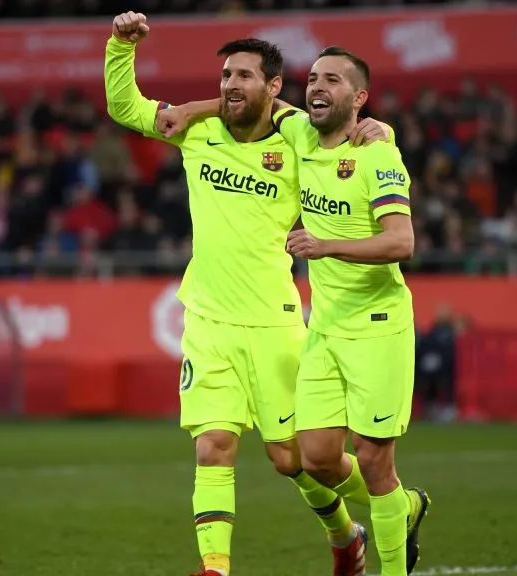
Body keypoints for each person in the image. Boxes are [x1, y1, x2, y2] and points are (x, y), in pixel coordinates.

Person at [105, 13, 391, 576]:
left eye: (243, 76)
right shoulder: (195, 130)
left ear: (274, 86)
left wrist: (382, 129)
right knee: (212, 444)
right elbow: (124, 105)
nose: (230, 85)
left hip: (274, 321)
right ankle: (215, 568)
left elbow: (353, 130)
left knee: (293, 460)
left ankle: (365, 521)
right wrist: (121, 46)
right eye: (225, 76)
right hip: (208, 319)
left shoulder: (298, 137)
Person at [159, 46, 431, 576]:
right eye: (314, 79)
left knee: (375, 464)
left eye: (333, 80)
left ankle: (393, 536)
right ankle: (395, 512)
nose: (318, 87)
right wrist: (192, 109)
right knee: (312, 460)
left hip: (377, 324)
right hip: (325, 327)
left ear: (360, 97)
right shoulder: (298, 137)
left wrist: (327, 241)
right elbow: (245, 102)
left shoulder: (375, 151)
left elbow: (402, 244)